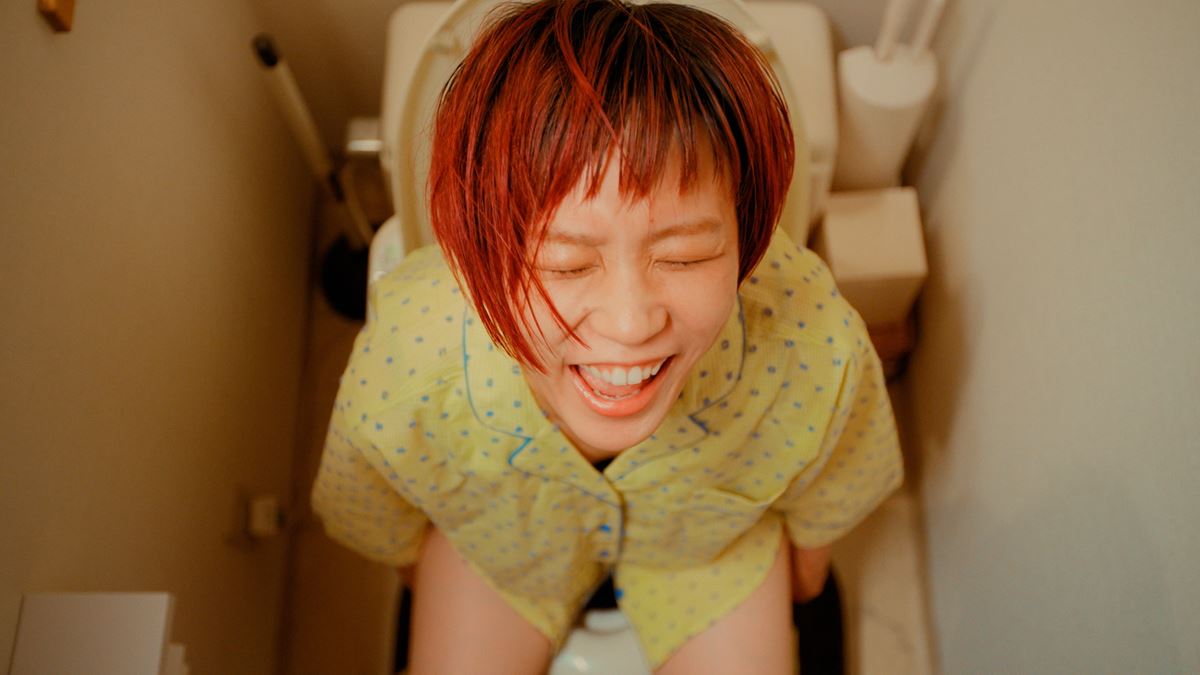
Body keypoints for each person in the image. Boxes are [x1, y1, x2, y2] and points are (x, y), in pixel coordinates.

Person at [311, 0, 903, 672]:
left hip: (706, 552)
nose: (630, 323)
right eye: (565, 263)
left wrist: (802, 582)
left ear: (749, 237)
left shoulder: (811, 342)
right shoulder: (408, 362)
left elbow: (831, 492)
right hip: (504, 546)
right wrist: (435, 586)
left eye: (684, 255)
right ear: (475, 256)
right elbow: (378, 513)